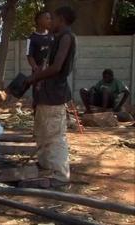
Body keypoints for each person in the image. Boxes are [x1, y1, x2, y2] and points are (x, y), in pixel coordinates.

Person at [25, 6, 77, 187]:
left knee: (55, 135)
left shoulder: (67, 37)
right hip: (45, 93)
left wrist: (33, 77)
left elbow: (56, 68)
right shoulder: (56, 38)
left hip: (54, 93)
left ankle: (61, 176)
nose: (50, 22)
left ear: (61, 19)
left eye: (52, 18)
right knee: (42, 131)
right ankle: (46, 165)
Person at [26, 11, 54, 110]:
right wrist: (35, 67)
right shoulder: (31, 38)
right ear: (39, 20)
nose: (49, 20)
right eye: (47, 18)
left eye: (50, 18)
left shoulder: (52, 36)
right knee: (38, 97)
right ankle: (37, 118)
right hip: (38, 74)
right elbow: (29, 56)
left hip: (51, 72)